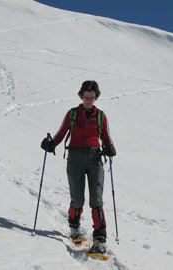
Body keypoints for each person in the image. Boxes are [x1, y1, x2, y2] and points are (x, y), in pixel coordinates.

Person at [41, 80, 116, 254]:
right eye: (86, 97)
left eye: (92, 97)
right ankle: (74, 228)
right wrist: (51, 144)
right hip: (74, 157)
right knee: (77, 198)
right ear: (81, 96)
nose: (89, 100)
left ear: (96, 97)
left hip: (94, 158)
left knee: (96, 200)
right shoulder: (72, 114)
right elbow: (61, 133)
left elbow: (105, 136)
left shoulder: (100, 116)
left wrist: (110, 147)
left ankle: (100, 239)